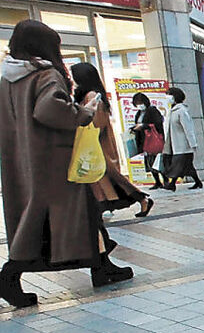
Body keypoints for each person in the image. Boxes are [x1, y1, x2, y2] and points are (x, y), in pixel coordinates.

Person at [0, 19, 133, 306]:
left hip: (22, 161)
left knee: (49, 218)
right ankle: (9, 275)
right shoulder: (45, 74)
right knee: (71, 215)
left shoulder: (7, 77)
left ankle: (101, 265)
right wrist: (82, 112)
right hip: (54, 161)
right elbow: (50, 109)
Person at [70, 63, 153, 219]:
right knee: (101, 179)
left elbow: (97, 123)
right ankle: (104, 208)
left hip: (98, 145)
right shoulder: (90, 95)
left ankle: (141, 198)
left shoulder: (92, 96)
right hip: (95, 144)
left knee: (111, 177)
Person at [162, 87, 202, 191]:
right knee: (188, 166)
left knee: (178, 164)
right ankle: (198, 182)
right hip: (175, 145)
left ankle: (172, 184)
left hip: (183, 145)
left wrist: (193, 143)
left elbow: (188, 128)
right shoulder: (172, 111)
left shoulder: (182, 111)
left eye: (169, 95)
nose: (167, 97)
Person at [129, 92, 166, 189]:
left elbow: (158, 123)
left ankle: (165, 180)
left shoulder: (152, 111)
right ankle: (157, 181)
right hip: (145, 140)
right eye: (137, 103)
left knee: (158, 161)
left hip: (153, 139)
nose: (139, 105)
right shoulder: (139, 113)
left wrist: (144, 126)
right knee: (150, 162)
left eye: (140, 102)